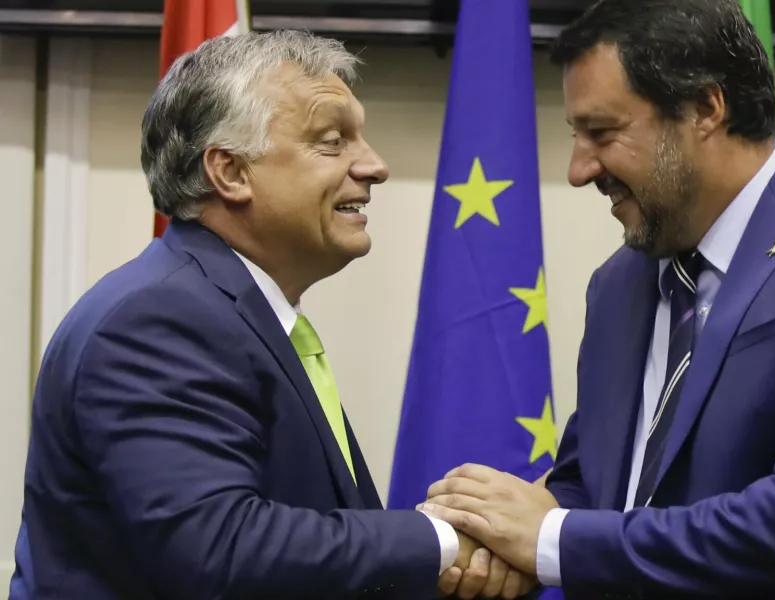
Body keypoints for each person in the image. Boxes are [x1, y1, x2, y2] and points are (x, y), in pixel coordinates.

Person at [419, 0, 775, 598]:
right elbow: (593, 490)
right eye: (577, 137)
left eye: (602, 133)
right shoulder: (619, 283)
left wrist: (549, 542)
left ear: (706, 108)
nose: (578, 170)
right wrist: (494, 537)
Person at [11, 29, 532, 600]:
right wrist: (442, 542)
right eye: (332, 141)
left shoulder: (233, 312)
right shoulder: (159, 322)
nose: (376, 166)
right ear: (230, 172)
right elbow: (220, 548)